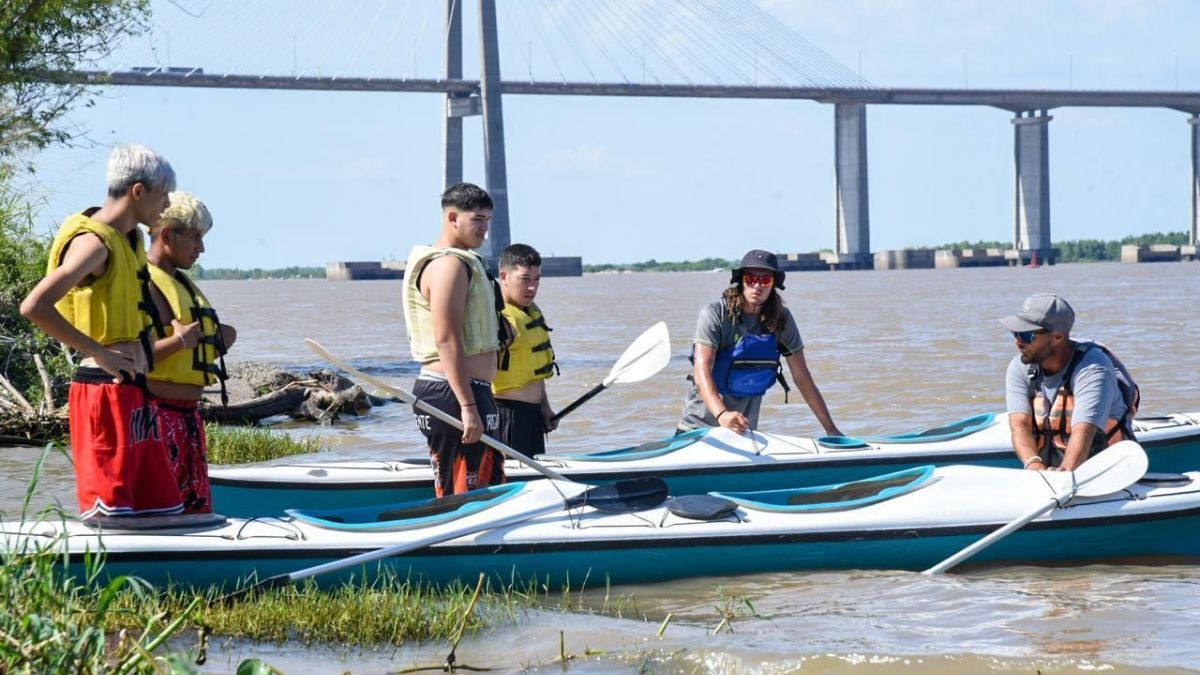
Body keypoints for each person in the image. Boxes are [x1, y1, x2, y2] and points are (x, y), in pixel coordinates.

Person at [19, 144, 183, 518]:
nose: (167, 204)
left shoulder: (130, 239)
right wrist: (102, 352)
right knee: (110, 509)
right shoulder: (93, 244)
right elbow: (34, 306)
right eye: (163, 195)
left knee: (160, 506)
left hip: (135, 389)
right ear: (138, 191)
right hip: (103, 391)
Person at [402, 183, 511, 497]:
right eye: (478, 220)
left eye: (488, 220)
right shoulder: (447, 265)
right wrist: (467, 406)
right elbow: (446, 338)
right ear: (452, 217)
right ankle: (457, 541)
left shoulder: (464, 263)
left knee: (488, 491)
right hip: (451, 394)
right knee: (462, 495)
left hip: (471, 392)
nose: (485, 229)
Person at [677, 249, 842, 438]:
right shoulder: (715, 314)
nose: (757, 285)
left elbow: (802, 376)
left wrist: (831, 429)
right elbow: (702, 369)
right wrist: (722, 414)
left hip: (743, 433)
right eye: (750, 279)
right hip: (697, 429)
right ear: (741, 281)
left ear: (773, 285)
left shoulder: (781, 320)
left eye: (765, 280)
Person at [145, 192, 237, 513]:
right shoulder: (144, 282)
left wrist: (214, 339)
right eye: (196, 238)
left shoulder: (180, 283)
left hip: (188, 419)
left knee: (194, 512)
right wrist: (181, 342)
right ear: (168, 235)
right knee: (161, 512)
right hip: (158, 419)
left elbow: (195, 346)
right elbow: (128, 360)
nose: (202, 248)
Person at [1001, 293, 1139, 471]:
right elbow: (1020, 425)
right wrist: (1035, 467)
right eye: (1015, 333)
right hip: (1052, 472)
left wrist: (1064, 475)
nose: (1018, 342)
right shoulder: (1020, 366)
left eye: (1027, 335)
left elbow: (1084, 431)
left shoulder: (1093, 368)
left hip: (1108, 471)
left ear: (1057, 337)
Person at [492, 243, 558, 457]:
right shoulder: (498, 320)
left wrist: (544, 407)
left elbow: (531, 370)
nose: (532, 288)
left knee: (536, 483)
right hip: (506, 417)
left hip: (533, 416)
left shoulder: (530, 311)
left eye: (537, 279)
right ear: (504, 276)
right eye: (525, 279)